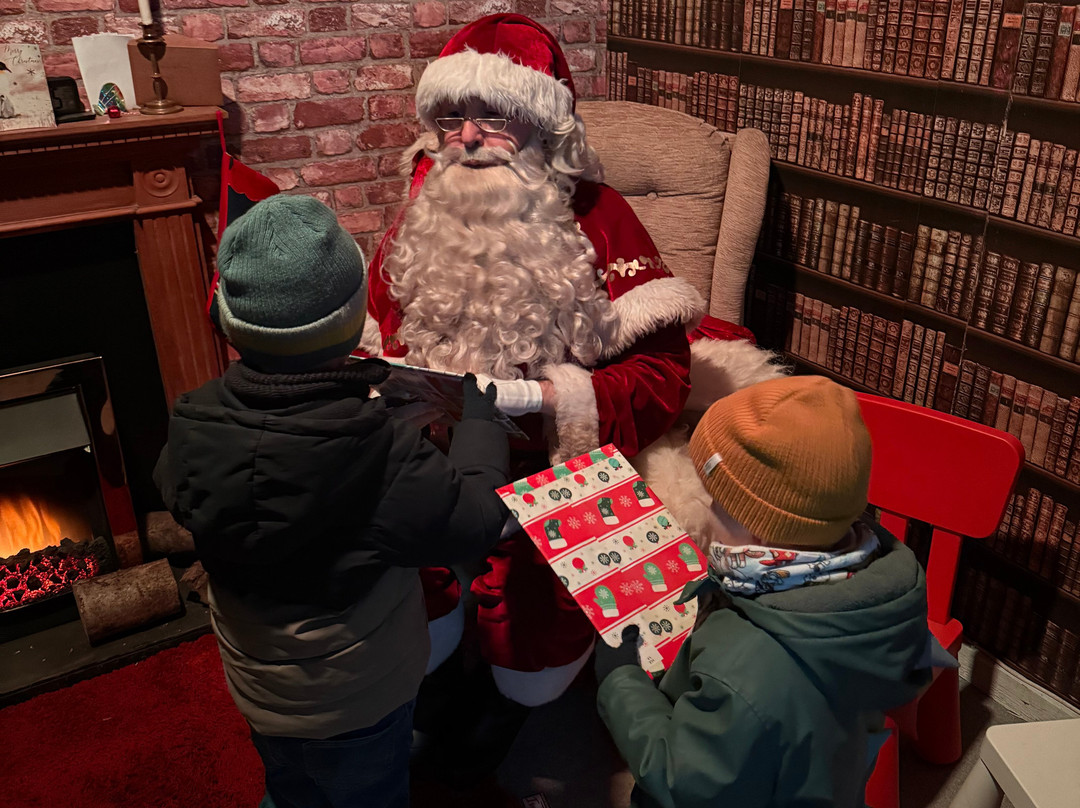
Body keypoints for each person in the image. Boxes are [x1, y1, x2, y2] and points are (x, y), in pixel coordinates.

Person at [360, 13, 783, 769]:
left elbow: (662, 376)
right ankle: (425, 680)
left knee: (537, 615)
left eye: (493, 115)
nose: (468, 136)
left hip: (557, 459)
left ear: (541, 123)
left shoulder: (603, 218)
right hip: (435, 446)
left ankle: (510, 697)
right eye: (452, 117)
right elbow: (383, 334)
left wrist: (552, 402)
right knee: (385, 553)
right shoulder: (422, 212)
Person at [153, 194, 511, 808]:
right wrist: (482, 421)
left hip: (258, 687)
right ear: (353, 321)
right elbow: (477, 520)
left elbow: (228, 478)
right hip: (355, 699)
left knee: (290, 786)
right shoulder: (383, 454)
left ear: (227, 320)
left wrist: (371, 402)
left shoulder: (193, 417)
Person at [595, 375, 937, 808]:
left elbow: (684, 780)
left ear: (761, 530)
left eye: (718, 502)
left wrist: (618, 681)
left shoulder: (745, 672)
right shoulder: (875, 582)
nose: (706, 509)